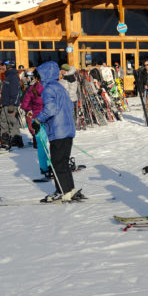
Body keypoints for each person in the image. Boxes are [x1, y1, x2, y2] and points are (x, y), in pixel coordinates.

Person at [32, 61, 83, 202]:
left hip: (58, 131)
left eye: (39, 76)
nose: (38, 79)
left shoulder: (48, 89)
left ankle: (62, 191)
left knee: (56, 163)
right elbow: (69, 107)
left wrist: (37, 120)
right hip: (68, 129)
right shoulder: (60, 87)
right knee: (63, 162)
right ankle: (69, 189)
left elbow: (50, 110)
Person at [20, 71, 51, 176]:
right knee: (56, 143)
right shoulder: (49, 87)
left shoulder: (32, 88)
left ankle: (44, 167)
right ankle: (54, 165)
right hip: (49, 118)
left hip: (37, 118)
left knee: (41, 144)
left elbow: (24, 105)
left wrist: (31, 109)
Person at [0, 60, 23, 151]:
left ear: (8, 66)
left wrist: (12, 104)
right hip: (5, 104)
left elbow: (15, 93)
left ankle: (16, 141)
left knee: (12, 122)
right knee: (3, 121)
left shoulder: (13, 76)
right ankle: (5, 141)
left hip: (11, 105)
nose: (2, 67)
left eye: (4, 66)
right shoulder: (7, 76)